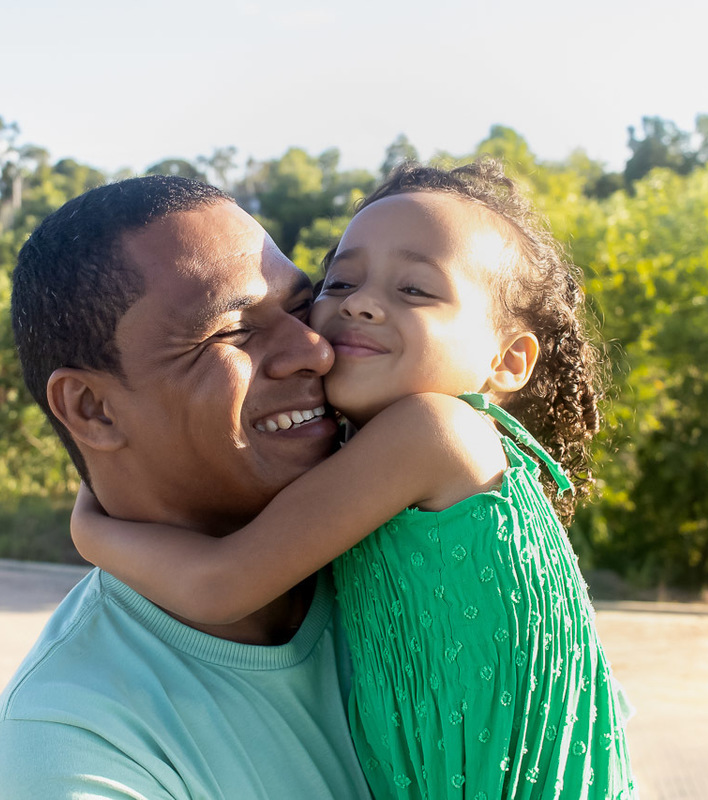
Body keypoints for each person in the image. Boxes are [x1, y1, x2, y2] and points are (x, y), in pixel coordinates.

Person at [71, 161, 639, 799]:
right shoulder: (377, 450)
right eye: (340, 281)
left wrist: (90, 529)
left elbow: (219, 584)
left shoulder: (433, 432)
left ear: (506, 360)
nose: (362, 303)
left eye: (416, 290)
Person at [0, 175, 373, 799]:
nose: (314, 349)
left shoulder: (415, 531)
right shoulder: (68, 744)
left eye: (300, 307)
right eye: (232, 331)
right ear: (92, 409)